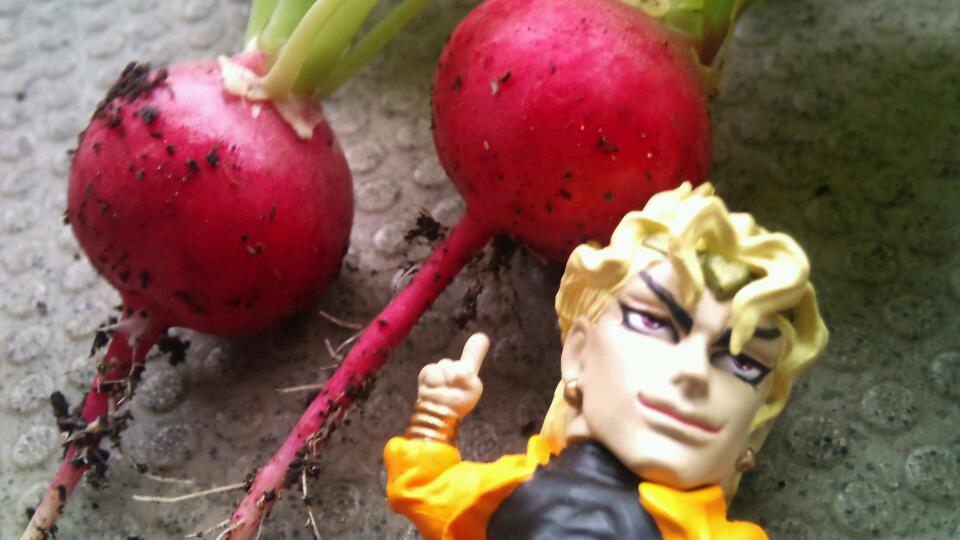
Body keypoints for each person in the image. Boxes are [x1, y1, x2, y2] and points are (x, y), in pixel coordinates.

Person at [384, 182, 828, 539]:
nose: (693, 372)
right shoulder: (506, 491)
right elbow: (425, 490)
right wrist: (436, 413)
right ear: (579, 353)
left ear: (756, 421)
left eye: (743, 363)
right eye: (653, 323)